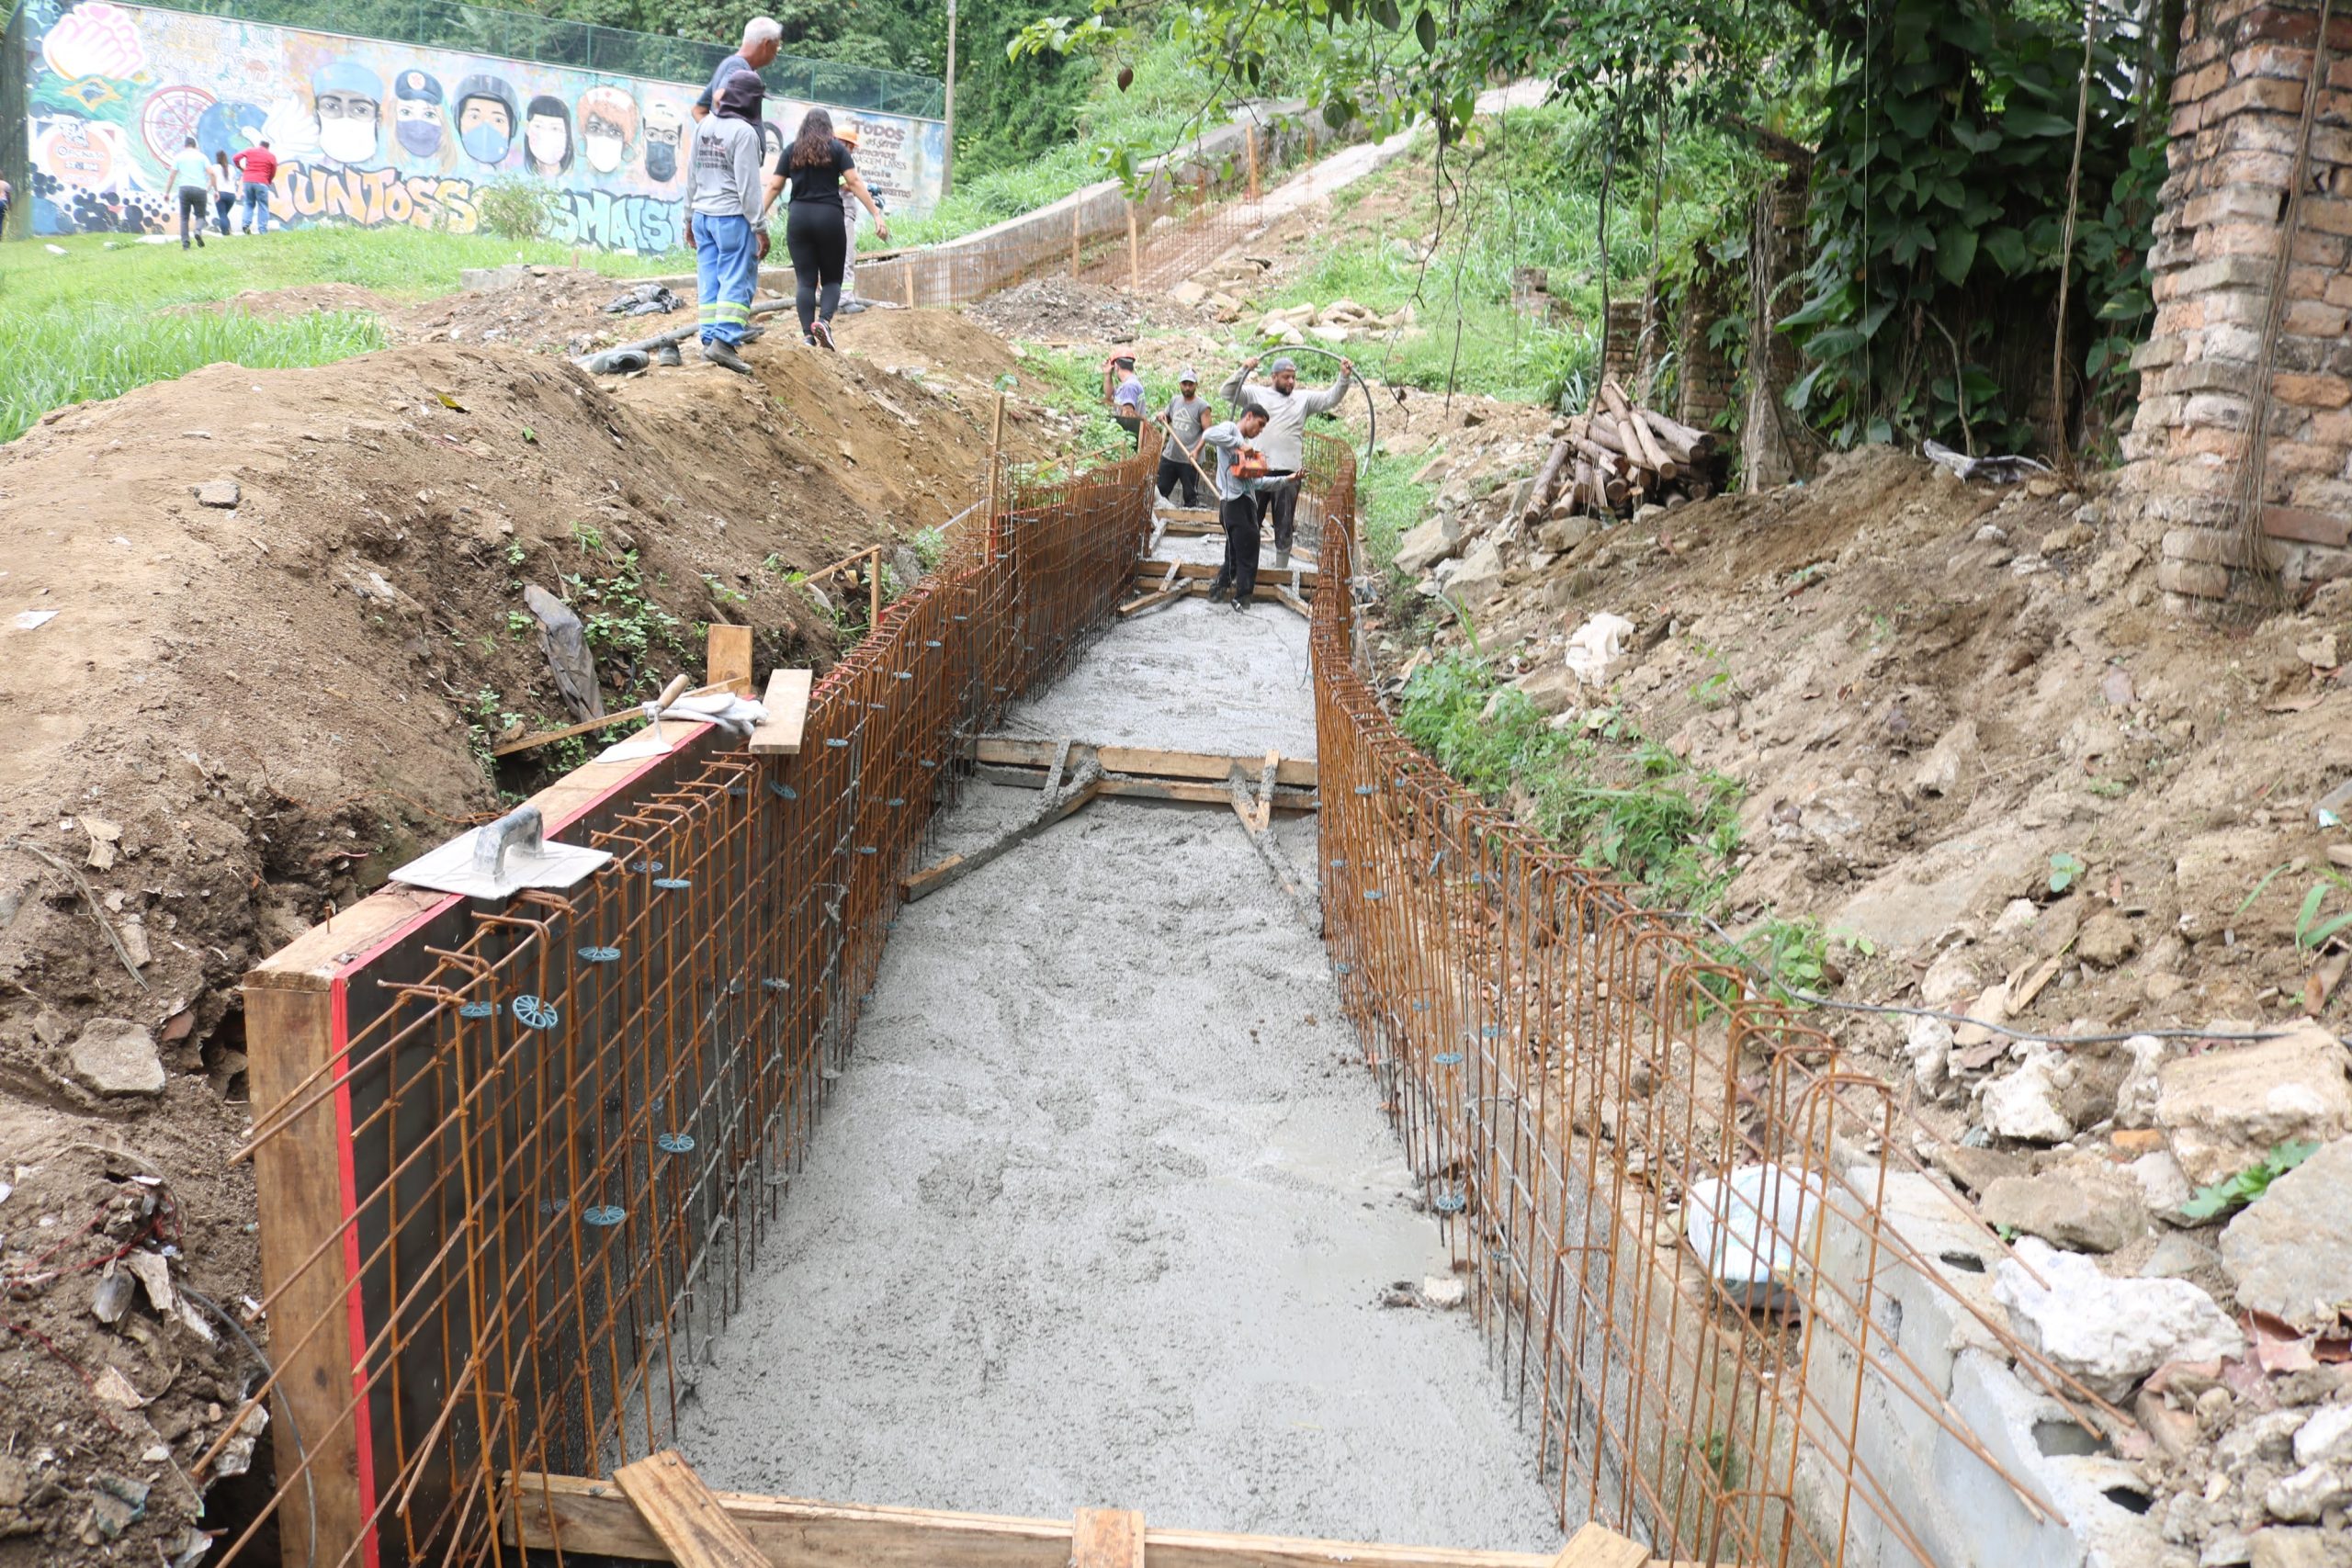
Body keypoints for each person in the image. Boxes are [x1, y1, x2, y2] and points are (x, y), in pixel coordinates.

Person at [762, 107, 888, 350]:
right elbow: (854, 182)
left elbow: (774, 186)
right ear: (828, 129)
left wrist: (755, 220)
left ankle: (807, 336)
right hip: (829, 217)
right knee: (832, 280)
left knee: (806, 282)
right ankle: (824, 323)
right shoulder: (837, 149)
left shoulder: (792, 150)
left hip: (798, 218)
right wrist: (876, 214)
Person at [1218, 354, 1353, 570]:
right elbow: (1226, 392)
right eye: (1286, 377)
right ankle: (1241, 566)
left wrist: (1343, 378)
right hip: (1257, 469)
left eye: (1293, 377)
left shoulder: (1303, 399)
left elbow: (1330, 399)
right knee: (1249, 518)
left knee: (1284, 522)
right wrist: (1243, 369)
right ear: (1273, 377)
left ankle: (1280, 568)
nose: (1291, 382)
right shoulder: (1256, 393)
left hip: (1289, 472)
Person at [685, 72, 768, 376]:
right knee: (736, 279)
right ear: (751, 101)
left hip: (703, 217)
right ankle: (724, 343)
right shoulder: (744, 133)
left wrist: (688, 218)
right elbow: (749, 188)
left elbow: (691, 175)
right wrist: (760, 227)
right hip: (732, 218)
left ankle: (710, 338)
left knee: (709, 279)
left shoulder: (704, 125)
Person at [1200, 405, 1277, 611]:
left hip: (1233, 505)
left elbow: (1255, 483)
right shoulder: (1230, 430)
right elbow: (1208, 434)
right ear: (1249, 416)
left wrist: (1285, 480)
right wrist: (1240, 444)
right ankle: (1242, 598)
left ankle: (1217, 591)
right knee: (1248, 552)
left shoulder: (1241, 445)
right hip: (1236, 504)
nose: (1259, 430)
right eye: (1259, 424)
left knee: (1234, 552)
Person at [692, 17, 783, 121]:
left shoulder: (730, 64)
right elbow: (719, 98)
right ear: (766, 44)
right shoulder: (738, 67)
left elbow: (699, 110)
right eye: (777, 46)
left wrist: (713, 134)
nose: (776, 53)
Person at [1156, 367, 1212, 509]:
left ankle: (1188, 525)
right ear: (1180, 384)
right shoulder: (1175, 400)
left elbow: (1208, 432)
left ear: (1196, 385)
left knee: (1190, 496)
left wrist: (1196, 451)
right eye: (1184, 384)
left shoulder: (1202, 406)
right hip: (1171, 456)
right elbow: (1167, 417)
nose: (1187, 387)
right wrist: (1162, 415)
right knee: (1160, 491)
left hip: (1190, 459)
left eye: (1190, 384)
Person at [169, 135, 213, 249]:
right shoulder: (202, 157)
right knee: (200, 216)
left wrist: (166, 192)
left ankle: (186, 244)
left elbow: (172, 176)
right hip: (200, 189)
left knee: (184, 217)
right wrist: (214, 189)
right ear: (195, 146)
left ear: (185, 146)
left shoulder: (179, 157)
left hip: (184, 189)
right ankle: (197, 230)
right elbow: (212, 173)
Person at [232, 139, 277, 232]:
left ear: (259, 145)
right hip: (262, 182)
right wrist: (268, 181)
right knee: (263, 205)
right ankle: (262, 228)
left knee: (249, 203)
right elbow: (273, 171)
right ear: (268, 147)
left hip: (248, 181)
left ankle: (245, 224)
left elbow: (235, 158)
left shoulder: (250, 150)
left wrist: (241, 168)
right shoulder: (271, 156)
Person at [1112, 362, 1146, 447]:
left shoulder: (1129, 386)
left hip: (1129, 440)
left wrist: (1122, 439)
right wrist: (1107, 375)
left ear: (1117, 367)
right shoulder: (1129, 384)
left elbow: (1128, 415)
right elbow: (1109, 396)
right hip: (1134, 437)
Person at [211, 152, 236, 235]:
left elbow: (212, 180)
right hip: (231, 195)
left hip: (220, 194)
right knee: (224, 214)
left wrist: (209, 190)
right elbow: (233, 180)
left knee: (222, 215)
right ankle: (229, 231)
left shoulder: (215, 167)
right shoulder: (231, 168)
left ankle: (225, 233)